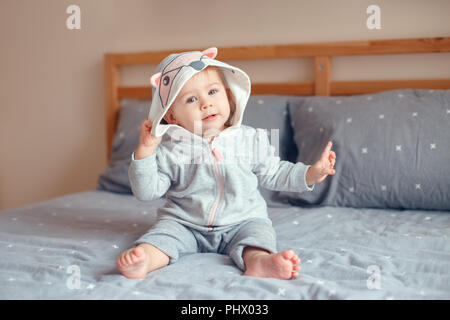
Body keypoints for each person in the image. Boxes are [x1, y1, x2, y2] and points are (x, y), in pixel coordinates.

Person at [116, 47, 336, 280]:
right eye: (191, 99)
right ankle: (146, 260)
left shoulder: (250, 139)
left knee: (258, 236)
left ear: (228, 96)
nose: (206, 104)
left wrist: (311, 173)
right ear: (171, 116)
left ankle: (259, 262)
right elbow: (147, 192)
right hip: (185, 223)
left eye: (213, 91)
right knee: (162, 237)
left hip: (242, 221)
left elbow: (276, 172)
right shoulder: (172, 149)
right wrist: (146, 151)